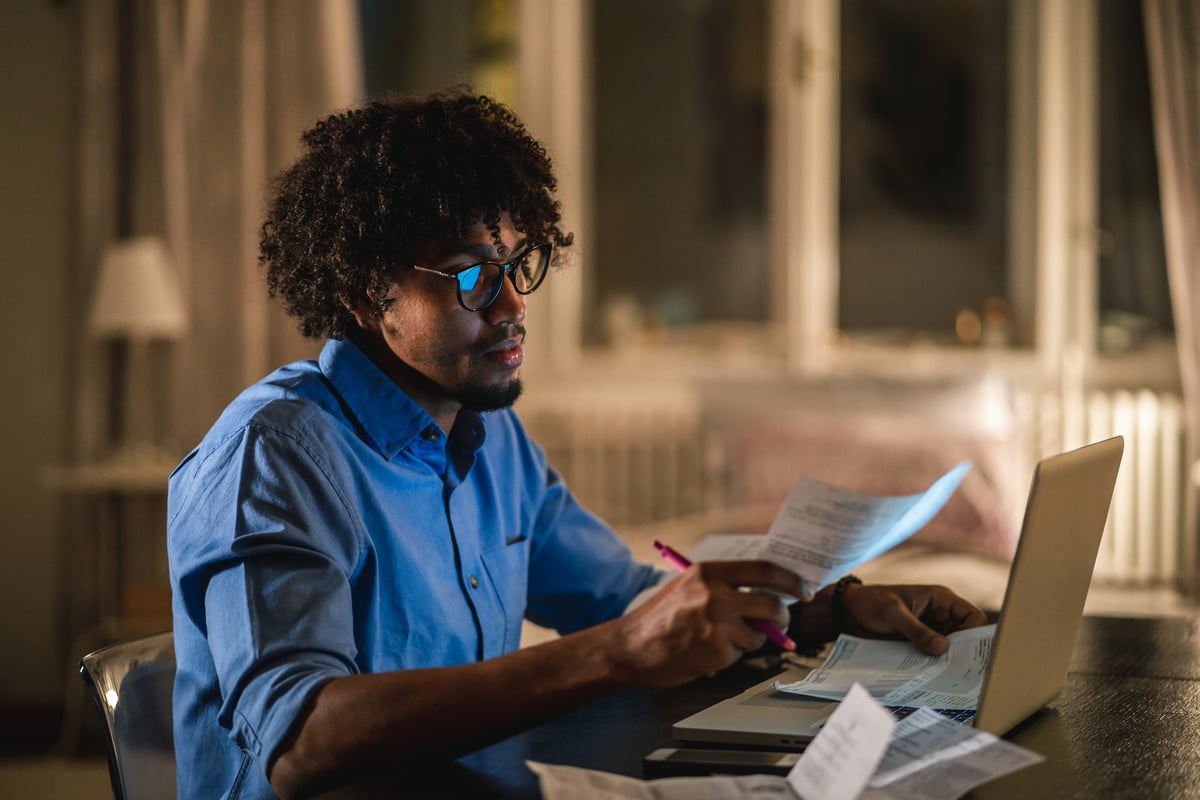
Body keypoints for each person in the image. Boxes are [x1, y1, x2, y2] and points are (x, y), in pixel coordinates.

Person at [167, 88, 988, 800]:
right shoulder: (276, 455)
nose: (512, 305)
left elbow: (626, 601)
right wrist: (618, 654)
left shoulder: (491, 441)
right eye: (467, 274)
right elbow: (302, 742)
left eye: (520, 263)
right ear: (362, 290)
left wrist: (836, 609)